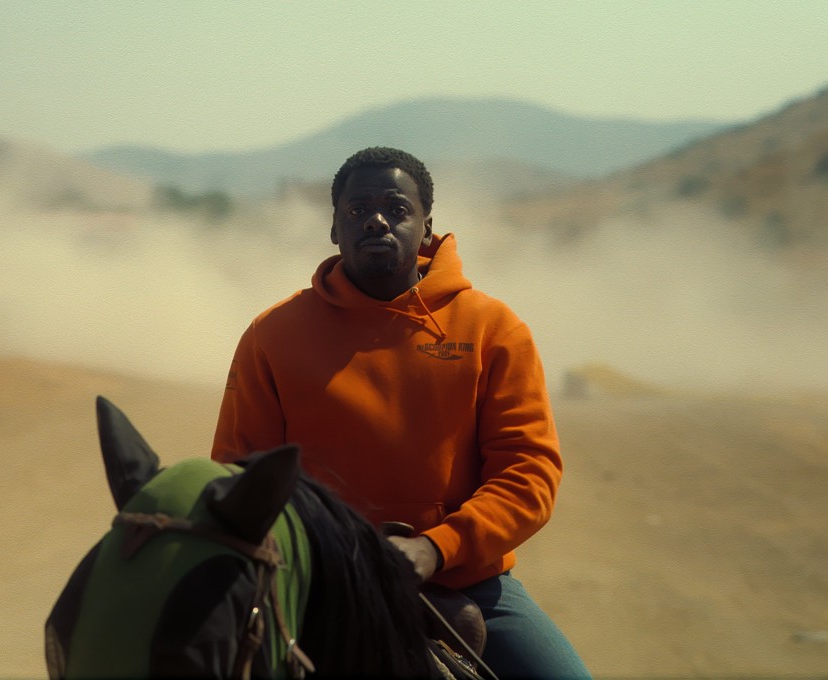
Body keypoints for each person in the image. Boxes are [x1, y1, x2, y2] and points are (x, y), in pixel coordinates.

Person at [211, 147, 590, 679]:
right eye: (357, 208)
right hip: (313, 586)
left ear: (427, 225)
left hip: (464, 582)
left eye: (396, 207)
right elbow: (239, 472)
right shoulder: (272, 336)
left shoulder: (492, 328)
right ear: (335, 227)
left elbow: (530, 473)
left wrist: (434, 550)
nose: (376, 220)